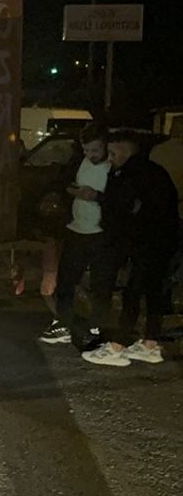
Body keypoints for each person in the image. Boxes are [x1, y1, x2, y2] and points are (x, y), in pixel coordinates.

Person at [81, 131, 180, 366]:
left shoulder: (135, 174)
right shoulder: (150, 171)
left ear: (126, 150)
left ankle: (118, 347)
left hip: (148, 242)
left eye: (113, 153)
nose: (110, 157)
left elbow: (126, 208)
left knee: (133, 293)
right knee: (153, 291)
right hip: (161, 241)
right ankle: (149, 344)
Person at [41, 124, 115, 347]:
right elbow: (62, 182)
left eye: (95, 150)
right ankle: (62, 323)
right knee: (66, 281)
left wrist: (98, 197)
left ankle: (98, 328)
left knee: (101, 284)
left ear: (106, 147)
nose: (90, 155)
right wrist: (70, 191)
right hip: (76, 229)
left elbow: (122, 200)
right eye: (86, 150)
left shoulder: (114, 167)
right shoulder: (78, 161)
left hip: (102, 234)